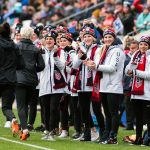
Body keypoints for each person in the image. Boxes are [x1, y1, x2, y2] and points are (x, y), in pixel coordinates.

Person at [86, 28, 125, 144]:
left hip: (114, 86)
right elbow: (98, 66)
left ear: (114, 38)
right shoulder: (105, 50)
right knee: (107, 113)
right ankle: (106, 136)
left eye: (110, 37)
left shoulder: (117, 51)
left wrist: (95, 66)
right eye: (105, 37)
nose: (107, 39)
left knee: (113, 113)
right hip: (104, 86)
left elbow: (112, 68)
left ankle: (113, 137)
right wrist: (91, 64)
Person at [72, 27, 105, 141]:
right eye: (85, 36)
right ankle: (90, 132)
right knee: (83, 109)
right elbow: (75, 65)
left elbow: (94, 64)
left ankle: (103, 132)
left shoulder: (98, 48)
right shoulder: (80, 48)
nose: (87, 38)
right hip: (82, 83)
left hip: (94, 83)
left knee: (96, 109)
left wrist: (86, 58)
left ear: (93, 38)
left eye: (89, 36)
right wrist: (81, 57)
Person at [15, 26, 45, 140]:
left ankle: (25, 129)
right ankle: (24, 128)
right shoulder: (36, 49)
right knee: (26, 105)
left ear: (22, 34)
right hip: (32, 81)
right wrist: (33, 70)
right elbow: (41, 65)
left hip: (19, 79)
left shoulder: (16, 47)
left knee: (21, 106)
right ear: (32, 35)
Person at [39, 32, 67, 141]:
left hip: (57, 86)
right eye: (47, 38)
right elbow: (38, 67)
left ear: (54, 41)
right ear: (44, 40)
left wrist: (55, 56)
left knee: (53, 109)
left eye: (51, 38)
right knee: (45, 109)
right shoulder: (40, 52)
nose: (49, 40)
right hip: (44, 85)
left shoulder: (61, 51)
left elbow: (62, 66)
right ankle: (47, 131)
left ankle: (51, 132)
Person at [125, 35, 150, 146]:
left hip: (147, 92)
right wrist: (129, 71)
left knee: (148, 118)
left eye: (145, 44)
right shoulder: (136, 54)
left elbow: (149, 75)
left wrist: (134, 73)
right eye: (141, 44)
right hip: (135, 92)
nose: (143, 46)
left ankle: (148, 140)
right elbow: (128, 69)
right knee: (138, 118)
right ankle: (138, 139)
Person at [0, 22, 24, 133]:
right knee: (6, 106)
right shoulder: (15, 46)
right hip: (11, 79)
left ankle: (12, 120)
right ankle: (13, 118)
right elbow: (21, 65)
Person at [123, 39, 138, 130]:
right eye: (131, 48)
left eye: (134, 48)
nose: (132, 50)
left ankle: (140, 123)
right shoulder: (126, 57)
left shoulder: (141, 58)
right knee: (128, 105)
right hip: (127, 86)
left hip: (138, 85)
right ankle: (129, 124)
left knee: (138, 105)